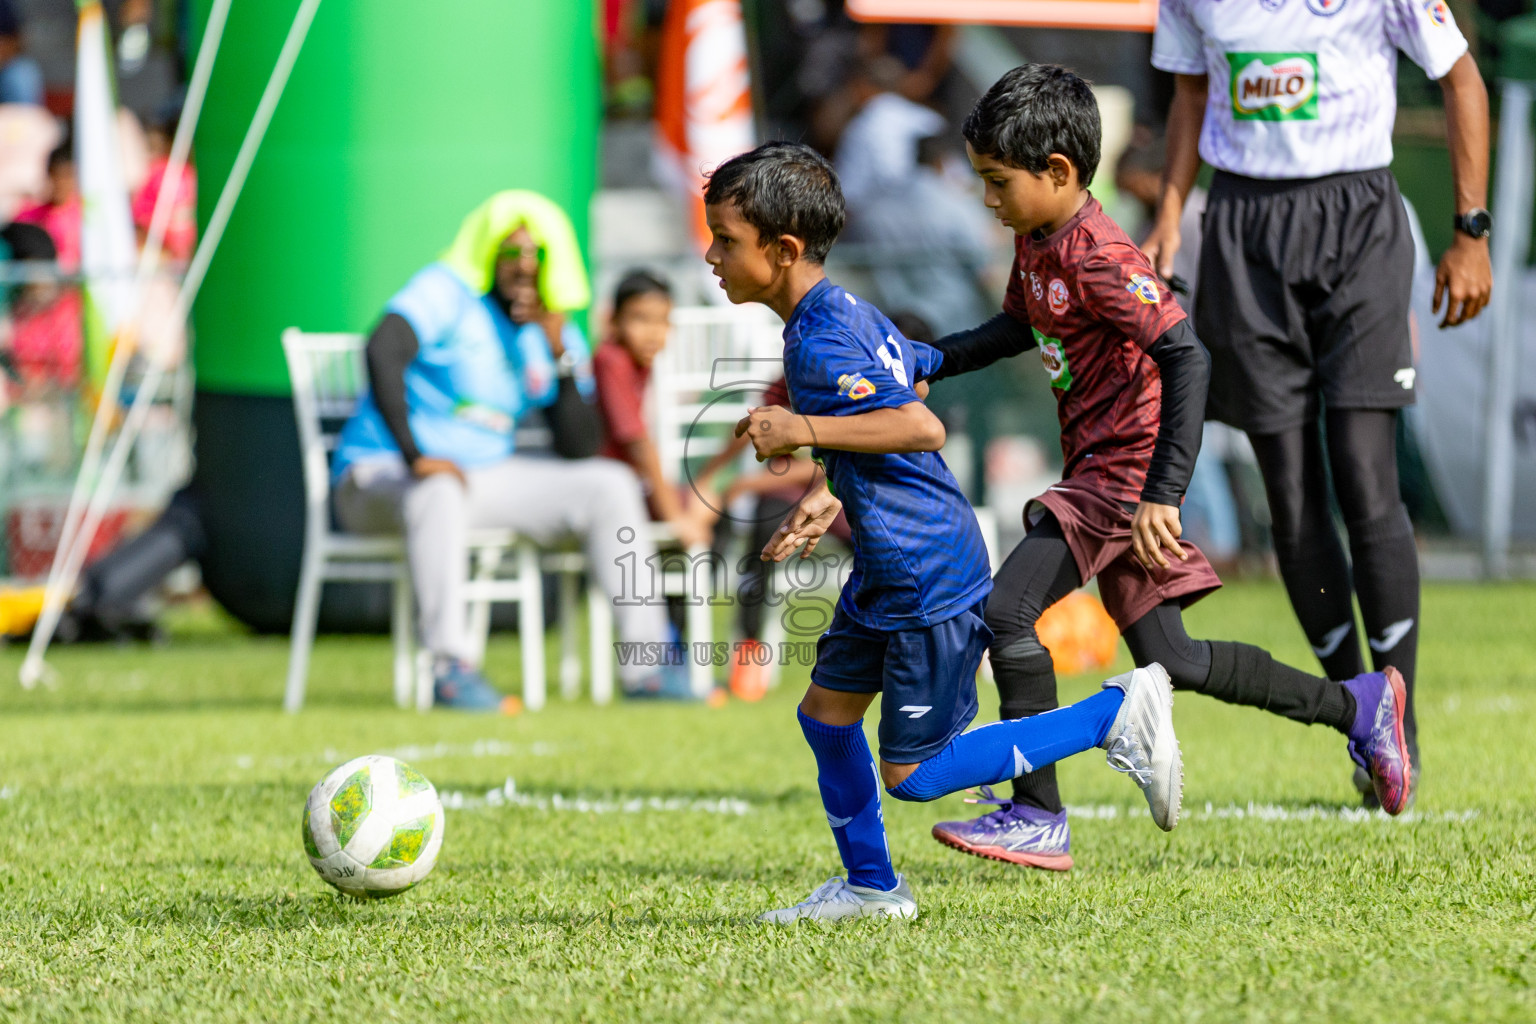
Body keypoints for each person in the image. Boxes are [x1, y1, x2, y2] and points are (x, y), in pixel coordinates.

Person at [910, 65, 1414, 873]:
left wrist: (1162, 494)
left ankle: (1038, 814)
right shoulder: (1037, 241)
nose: (987, 200)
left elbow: (1188, 355)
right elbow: (1014, 327)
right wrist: (928, 358)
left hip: (1119, 478)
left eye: (996, 182)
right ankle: (1357, 705)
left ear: (1061, 174)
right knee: (1171, 659)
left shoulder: (1102, 255)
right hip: (1104, 473)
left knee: (1005, 611)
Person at [706, 141, 1184, 925]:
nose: (713, 255)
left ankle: (1115, 714)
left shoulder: (824, 337)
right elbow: (893, 395)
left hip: (923, 569)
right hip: (887, 567)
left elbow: (918, 425)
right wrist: (830, 487)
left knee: (914, 772)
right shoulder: (838, 312)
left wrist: (801, 426)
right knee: (824, 715)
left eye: (727, 239)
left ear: (783, 249)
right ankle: (871, 889)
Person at [1144, 0, 1493, 801]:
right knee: (1293, 499)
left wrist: (1470, 231)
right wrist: (1169, 217)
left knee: (1366, 476)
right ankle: (1361, 720)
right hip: (1241, 227)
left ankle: (1400, 710)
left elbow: (1461, 76)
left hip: (1356, 220)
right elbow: (1191, 94)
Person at [331, 190, 692, 710]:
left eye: (537, 256)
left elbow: (580, 446)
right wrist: (414, 455)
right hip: (381, 474)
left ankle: (649, 665)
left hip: (480, 478)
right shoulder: (446, 291)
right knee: (438, 487)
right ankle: (450, 667)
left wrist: (560, 351)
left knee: (607, 484)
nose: (524, 268)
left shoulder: (550, 327)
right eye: (512, 253)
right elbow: (382, 348)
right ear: (488, 253)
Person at [590, 268, 711, 550]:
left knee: (703, 506)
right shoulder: (611, 360)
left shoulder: (641, 365)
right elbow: (637, 443)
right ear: (614, 320)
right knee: (688, 515)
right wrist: (675, 516)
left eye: (663, 321)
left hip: (628, 484)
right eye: (640, 318)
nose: (654, 332)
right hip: (609, 486)